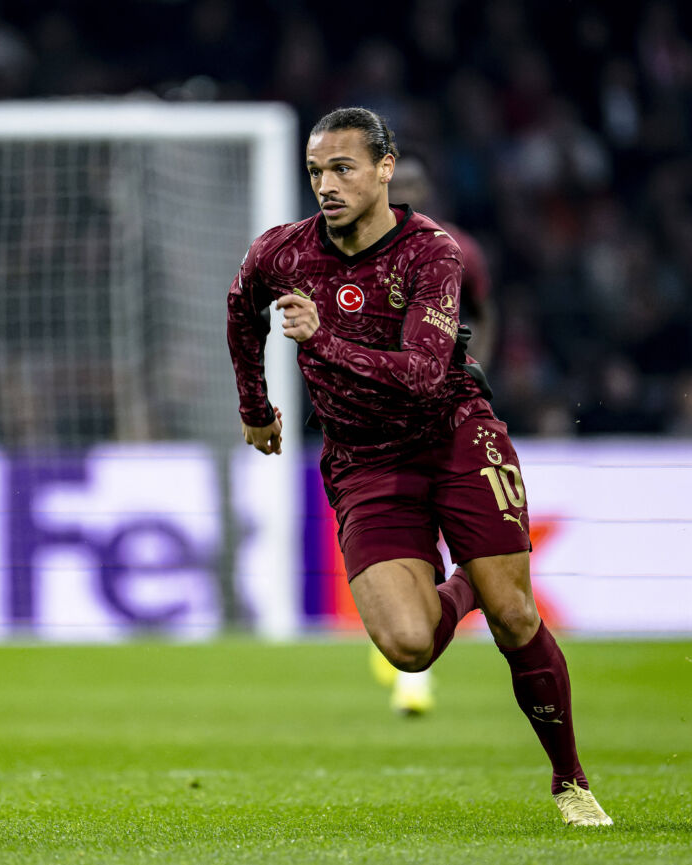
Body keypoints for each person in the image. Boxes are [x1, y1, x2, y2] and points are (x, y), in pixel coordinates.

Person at [226, 106, 612, 827]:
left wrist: (323, 338)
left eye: (342, 167)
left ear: (384, 168)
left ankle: (570, 781)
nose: (326, 184)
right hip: (364, 461)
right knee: (407, 648)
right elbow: (239, 306)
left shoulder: (433, 252)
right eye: (316, 171)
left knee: (517, 613)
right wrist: (256, 405)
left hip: (454, 436)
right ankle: (466, 585)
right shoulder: (282, 252)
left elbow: (428, 373)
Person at [375, 147, 500, 716]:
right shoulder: (352, 246)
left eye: (416, 185)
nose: (408, 194)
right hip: (379, 420)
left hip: (446, 414)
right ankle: (410, 667)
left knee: (449, 530)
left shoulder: (457, 250)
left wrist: (480, 374)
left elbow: (484, 310)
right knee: (397, 541)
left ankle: (413, 670)